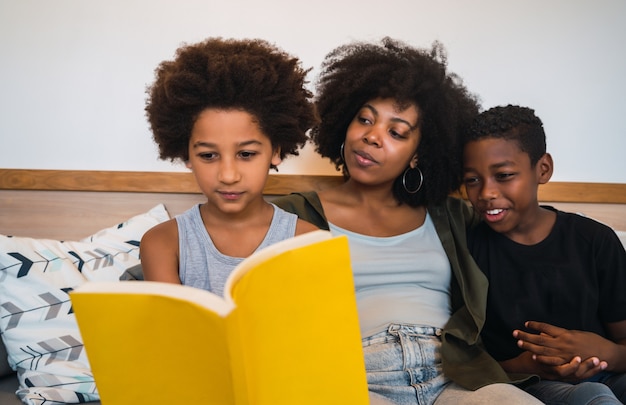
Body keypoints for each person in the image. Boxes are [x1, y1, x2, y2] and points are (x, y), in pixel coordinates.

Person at [273, 38, 542, 405]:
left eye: (396, 132)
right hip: (357, 377)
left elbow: (529, 240)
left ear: (419, 154)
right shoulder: (294, 213)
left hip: (454, 374)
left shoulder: (451, 216)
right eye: (364, 119)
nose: (371, 136)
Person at [463, 104, 626, 404]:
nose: (485, 193)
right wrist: (525, 366)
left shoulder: (595, 241)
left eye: (504, 175)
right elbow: (467, 363)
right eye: (472, 180)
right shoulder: (469, 252)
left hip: (612, 371)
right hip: (530, 384)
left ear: (543, 169)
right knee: (593, 396)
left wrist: (606, 352)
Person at [139, 37, 318, 295]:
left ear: (275, 151)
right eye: (209, 156)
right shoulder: (163, 243)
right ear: (186, 154)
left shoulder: (308, 242)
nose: (228, 175)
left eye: (246, 154)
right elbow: (170, 332)